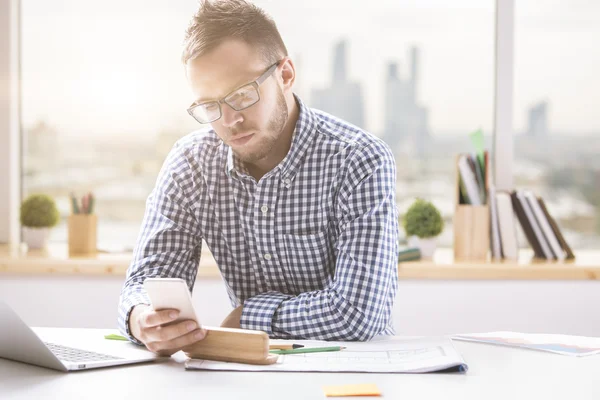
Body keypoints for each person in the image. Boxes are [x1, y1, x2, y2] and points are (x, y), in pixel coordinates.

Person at [118, 0, 399, 355]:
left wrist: (248, 318)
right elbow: (145, 280)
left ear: (285, 75)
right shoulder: (191, 163)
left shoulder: (359, 159)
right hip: (248, 370)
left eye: (241, 95)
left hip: (355, 366)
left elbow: (358, 314)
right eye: (209, 106)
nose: (228, 120)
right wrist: (141, 318)